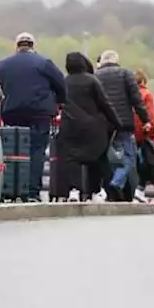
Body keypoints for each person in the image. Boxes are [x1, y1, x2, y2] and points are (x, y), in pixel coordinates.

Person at [0, 33, 66, 202]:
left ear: (17, 46)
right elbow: (61, 84)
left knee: (12, 151)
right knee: (36, 150)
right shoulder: (44, 63)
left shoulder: (3, 65)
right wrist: (60, 102)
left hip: (11, 112)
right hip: (39, 113)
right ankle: (32, 191)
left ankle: (11, 189)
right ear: (33, 46)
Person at [58, 52, 122, 201]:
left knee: (72, 158)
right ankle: (97, 191)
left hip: (71, 125)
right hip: (93, 126)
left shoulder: (64, 82)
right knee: (98, 158)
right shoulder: (92, 81)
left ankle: (74, 189)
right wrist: (117, 122)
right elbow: (105, 104)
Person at [94, 50, 151, 201]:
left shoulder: (95, 76)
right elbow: (136, 100)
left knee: (108, 157)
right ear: (116, 60)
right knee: (129, 156)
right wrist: (146, 120)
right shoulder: (125, 74)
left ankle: (108, 188)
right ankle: (116, 183)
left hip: (102, 123)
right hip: (123, 122)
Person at [132, 69, 154, 197]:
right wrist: (153, 133)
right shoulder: (146, 94)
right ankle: (140, 187)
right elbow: (151, 115)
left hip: (130, 131)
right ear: (143, 81)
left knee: (131, 160)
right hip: (143, 132)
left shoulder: (129, 93)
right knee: (144, 161)